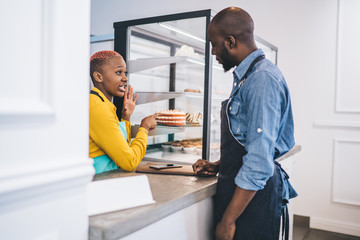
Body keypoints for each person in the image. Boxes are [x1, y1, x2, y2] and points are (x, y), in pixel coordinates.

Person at [192, 7, 297, 240]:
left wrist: (228, 221)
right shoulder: (248, 76)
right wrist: (220, 164)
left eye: (214, 43)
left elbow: (259, 161)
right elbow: (249, 140)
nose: (212, 52)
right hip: (244, 195)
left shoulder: (261, 79)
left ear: (230, 41)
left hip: (253, 202)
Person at [89, 50, 157, 174]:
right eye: (118, 72)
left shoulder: (102, 103)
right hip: (97, 182)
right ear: (99, 77)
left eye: (125, 73)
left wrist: (126, 117)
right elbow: (129, 162)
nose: (125, 78)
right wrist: (144, 128)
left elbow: (122, 149)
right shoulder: (97, 107)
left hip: (106, 178)